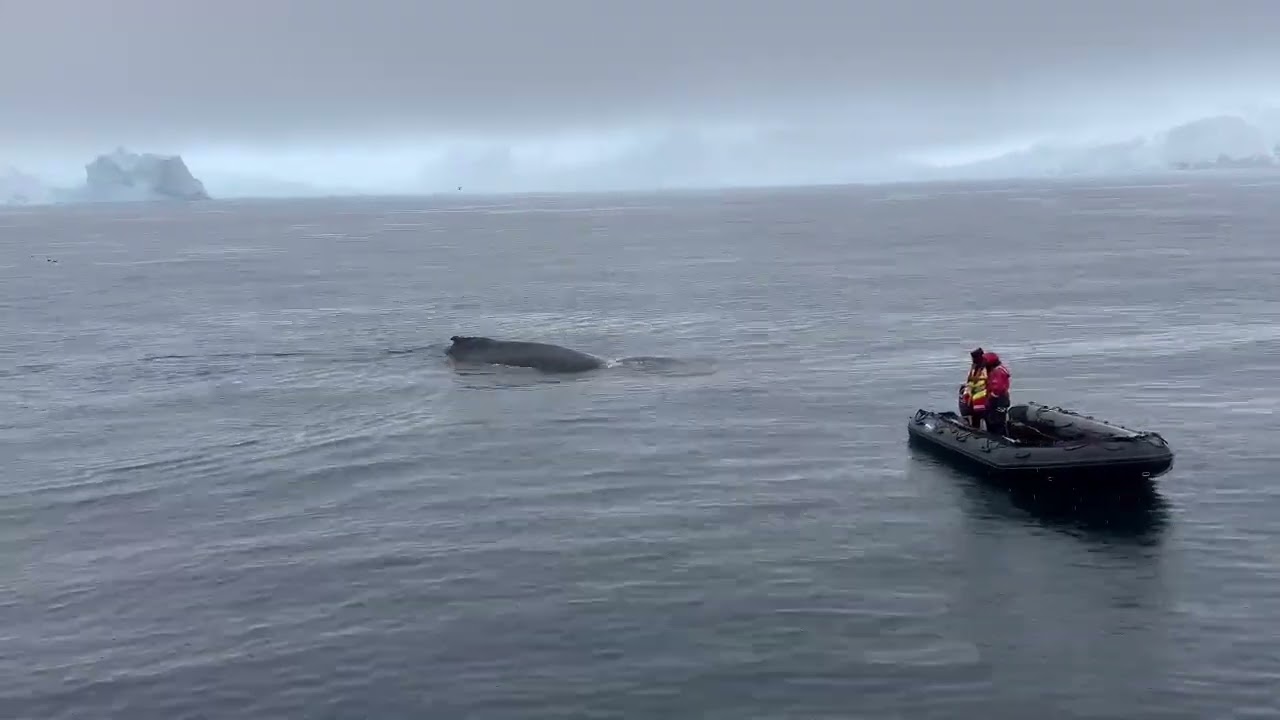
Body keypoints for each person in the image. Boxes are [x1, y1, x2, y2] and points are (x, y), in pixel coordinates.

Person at [983, 351, 1011, 435]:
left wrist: (991, 397)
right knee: (997, 420)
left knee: (995, 421)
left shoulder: (997, 371)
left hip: (998, 400)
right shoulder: (999, 369)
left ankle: (998, 438)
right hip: (1001, 399)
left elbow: (998, 387)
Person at [959, 347, 988, 428]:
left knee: (980, 417)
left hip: (981, 396)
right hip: (974, 397)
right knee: (975, 418)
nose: (972, 359)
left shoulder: (984, 368)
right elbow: (970, 380)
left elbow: (980, 381)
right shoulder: (975, 367)